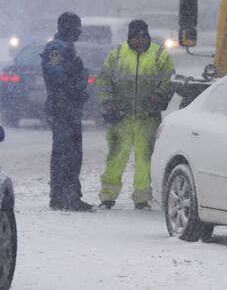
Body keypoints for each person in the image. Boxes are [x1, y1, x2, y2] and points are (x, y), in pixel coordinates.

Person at [97, 19, 175, 210]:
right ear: (130, 38)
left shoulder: (159, 55)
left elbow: (169, 80)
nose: (140, 40)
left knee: (145, 159)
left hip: (147, 118)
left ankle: (142, 198)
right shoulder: (116, 55)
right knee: (115, 157)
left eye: (143, 36)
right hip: (121, 118)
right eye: (136, 37)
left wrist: (159, 96)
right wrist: (107, 102)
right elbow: (104, 79)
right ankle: (107, 196)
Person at [40, 11, 93, 211]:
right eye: (76, 29)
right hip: (64, 109)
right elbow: (57, 79)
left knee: (71, 153)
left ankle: (66, 196)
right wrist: (75, 90)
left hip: (69, 108)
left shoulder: (66, 48)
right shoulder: (57, 48)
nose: (79, 33)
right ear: (68, 29)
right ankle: (65, 197)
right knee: (66, 155)